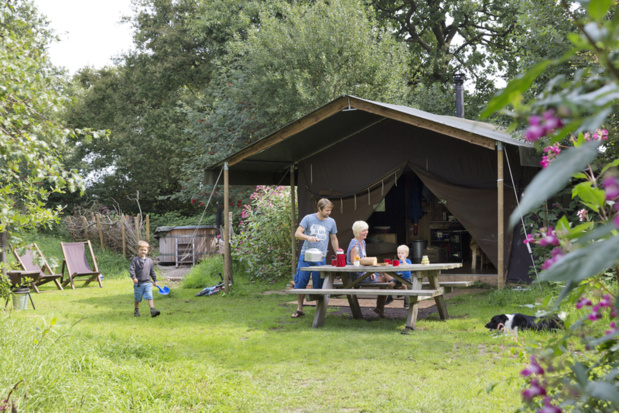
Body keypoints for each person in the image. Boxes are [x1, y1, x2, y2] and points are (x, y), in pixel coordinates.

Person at [292, 198, 339, 318]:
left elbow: (333, 238)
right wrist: (308, 237)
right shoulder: (308, 218)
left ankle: (319, 312)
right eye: (327, 210)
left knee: (319, 283)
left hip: (320, 258)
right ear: (319, 208)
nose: (329, 213)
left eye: (330, 210)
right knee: (301, 282)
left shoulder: (331, 222)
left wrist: (338, 253)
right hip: (306, 256)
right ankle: (300, 308)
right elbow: (297, 233)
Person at [346, 220, 395, 318]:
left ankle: (381, 306)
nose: (367, 232)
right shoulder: (355, 246)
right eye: (364, 230)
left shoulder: (362, 242)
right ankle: (396, 285)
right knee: (384, 275)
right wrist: (369, 271)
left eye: (367, 230)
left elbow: (365, 259)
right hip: (358, 275)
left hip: (365, 272)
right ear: (357, 231)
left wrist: (370, 270)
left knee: (384, 272)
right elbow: (355, 262)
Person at [130, 240, 161, 318]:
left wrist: (155, 280)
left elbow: (152, 272)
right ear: (138, 250)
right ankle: (136, 310)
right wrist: (134, 277)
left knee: (150, 296)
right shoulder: (135, 260)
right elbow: (132, 269)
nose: (143, 251)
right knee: (137, 298)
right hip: (138, 284)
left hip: (148, 283)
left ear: (147, 251)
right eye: (141, 249)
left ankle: (152, 310)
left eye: (145, 250)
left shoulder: (149, 261)